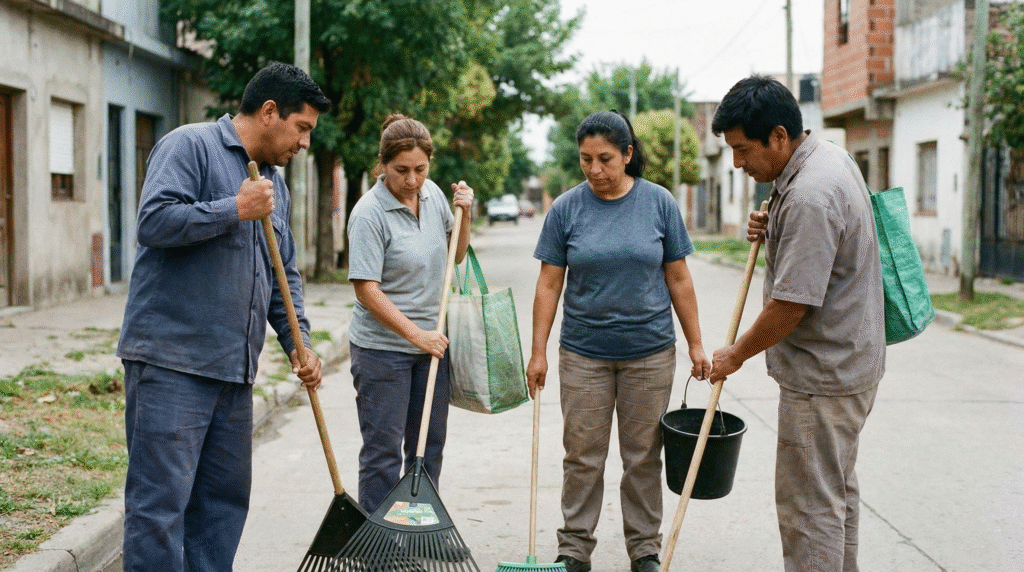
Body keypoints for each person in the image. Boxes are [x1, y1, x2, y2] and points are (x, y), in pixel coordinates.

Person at [116, 62, 330, 572]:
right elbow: (153, 221)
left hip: (234, 373)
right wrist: (232, 208)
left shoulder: (273, 182)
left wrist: (300, 342)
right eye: (301, 128)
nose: (304, 143)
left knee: (221, 509)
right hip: (173, 365)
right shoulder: (188, 146)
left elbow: (283, 275)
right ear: (270, 111)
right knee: (159, 511)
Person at [709, 75, 886, 572]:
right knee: (835, 496)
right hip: (850, 365)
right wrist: (775, 229)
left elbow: (792, 303)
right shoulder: (826, 158)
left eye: (744, 151)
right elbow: (823, 250)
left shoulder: (809, 193)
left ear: (780, 136)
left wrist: (736, 353)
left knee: (809, 509)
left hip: (823, 378)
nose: (739, 164)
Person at [527, 110, 710, 572]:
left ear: (628, 154)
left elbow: (679, 278)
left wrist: (695, 344)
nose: (594, 170)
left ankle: (644, 549)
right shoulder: (566, 208)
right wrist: (538, 351)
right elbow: (549, 284)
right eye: (585, 159)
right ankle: (573, 549)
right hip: (583, 353)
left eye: (605, 159)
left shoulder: (659, 203)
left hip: (649, 354)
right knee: (582, 457)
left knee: (643, 457)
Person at [347, 114, 473, 516]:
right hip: (382, 350)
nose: (413, 179)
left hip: (430, 345)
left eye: (421, 169)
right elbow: (366, 289)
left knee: (426, 447)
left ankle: (415, 529)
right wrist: (417, 336)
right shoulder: (369, 214)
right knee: (383, 450)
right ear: (382, 164)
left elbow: (457, 254)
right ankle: (377, 541)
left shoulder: (434, 196)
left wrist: (465, 213)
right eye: (402, 170)